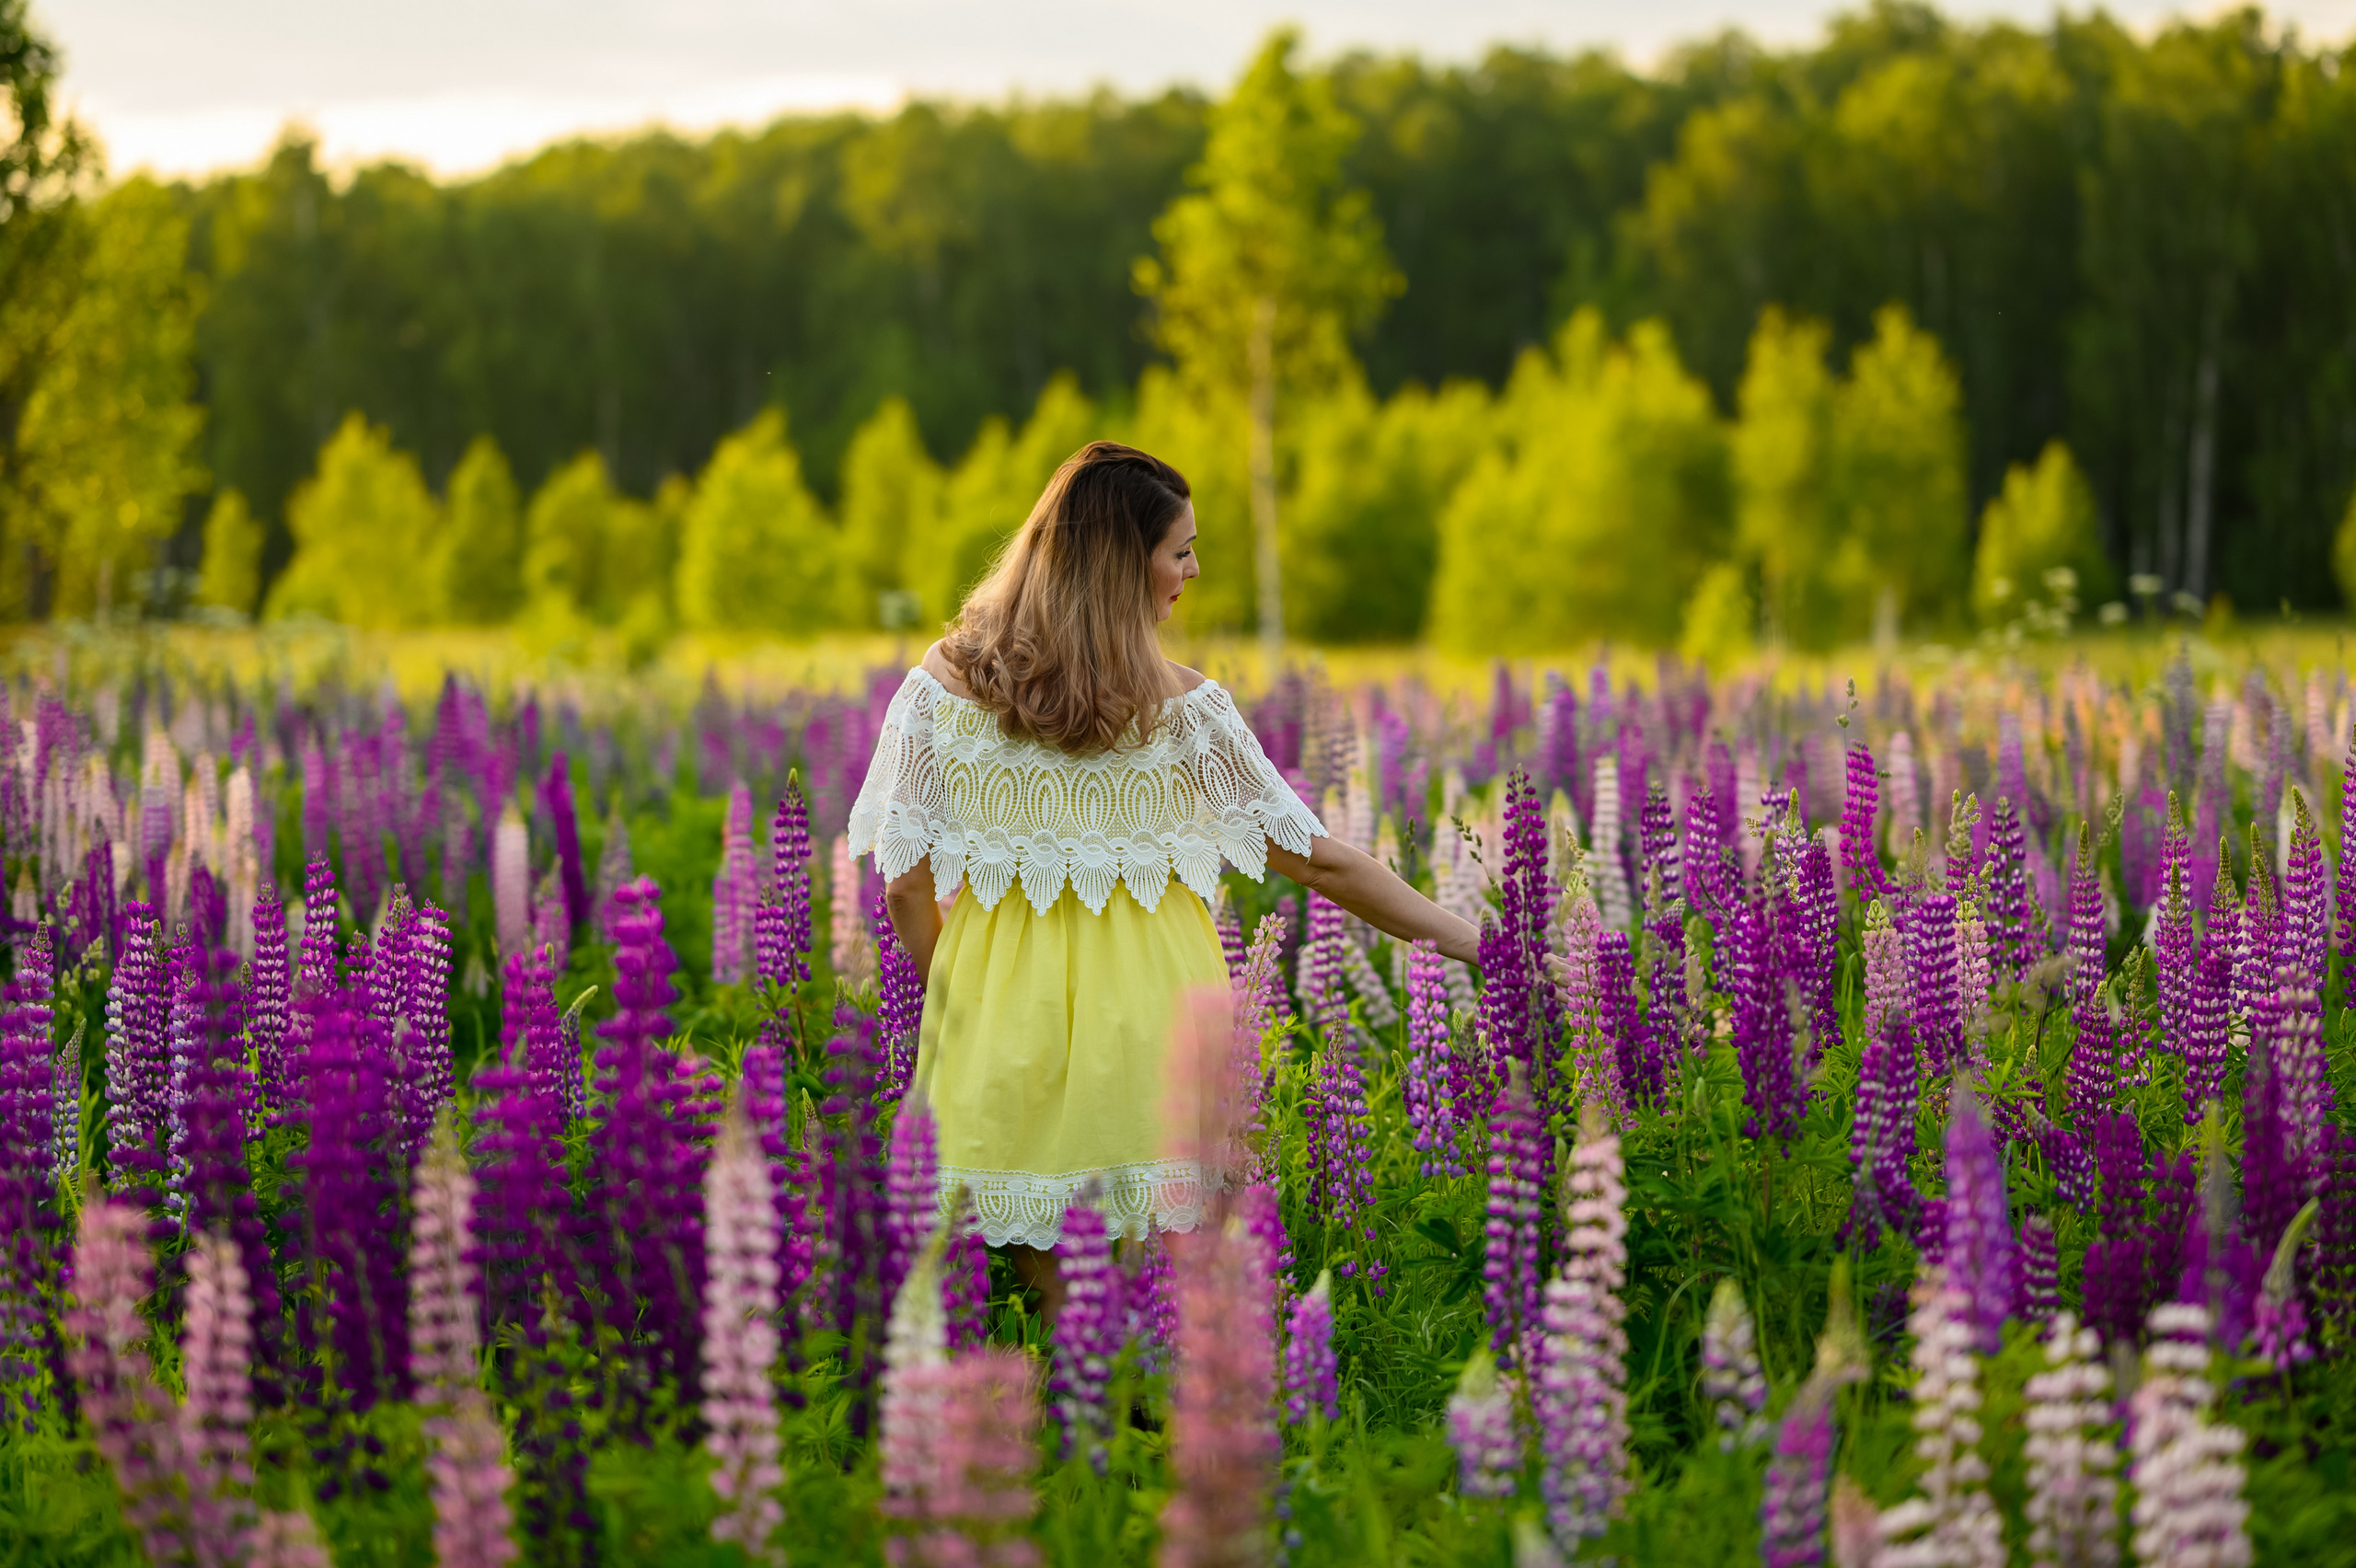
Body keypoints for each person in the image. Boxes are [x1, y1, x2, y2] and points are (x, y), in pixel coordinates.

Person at [848, 440, 1481, 1320]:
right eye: (1179, 550)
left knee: (1055, 1327)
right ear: (1119, 566)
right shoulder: (1186, 710)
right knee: (1157, 1325)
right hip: (1160, 1028)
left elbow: (904, 888)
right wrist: (1473, 944)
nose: (1195, 567)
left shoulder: (944, 688)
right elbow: (1321, 859)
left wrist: (960, 999)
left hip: (999, 1022)